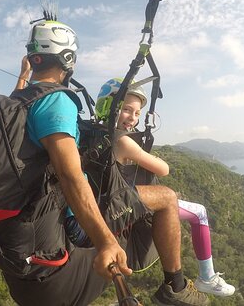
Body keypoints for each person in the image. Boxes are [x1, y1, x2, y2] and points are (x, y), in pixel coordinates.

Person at [0, 18, 210, 306]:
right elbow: (70, 176)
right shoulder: (57, 101)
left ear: (33, 57)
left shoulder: (18, 101)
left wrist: (24, 76)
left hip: (26, 212)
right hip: (73, 220)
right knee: (167, 197)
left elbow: (15, 111)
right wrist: (106, 240)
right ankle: (175, 286)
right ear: (68, 58)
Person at [95, 78, 236, 298]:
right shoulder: (122, 140)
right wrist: (150, 156)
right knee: (199, 213)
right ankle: (206, 278)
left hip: (111, 203)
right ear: (109, 107)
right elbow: (163, 169)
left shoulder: (96, 135)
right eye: (126, 110)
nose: (132, 118)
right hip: (127, 207)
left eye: (137, 114)